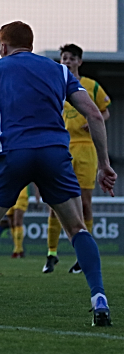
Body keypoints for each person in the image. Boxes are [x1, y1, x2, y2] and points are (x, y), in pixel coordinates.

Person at [0, 21, 115, 328]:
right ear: (31, 43)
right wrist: (104, 163)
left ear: (3, 46)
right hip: (54, 153)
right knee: (78, 227)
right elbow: (94, 113)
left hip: (12, 153)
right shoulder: (61, 71)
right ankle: (98, 297)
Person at [43, 44, 111, 274]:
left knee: (84, 203)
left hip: (85, 148)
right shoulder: (54, 84)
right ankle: (51, 254)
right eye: (64, 58)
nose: (67, 61)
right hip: (61, 146)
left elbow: (105, 111)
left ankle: (83, 256)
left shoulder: (91, 86)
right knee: (55, 203)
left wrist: (93, 119)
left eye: (72, 58)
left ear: (79, 62)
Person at [0, 184, 40, 258]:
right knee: (11, 222)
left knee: (17, 221)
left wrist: (37, 192)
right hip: (9, 193)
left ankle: (18, 250)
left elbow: (34, 176)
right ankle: (19, 250)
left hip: (21, 194)